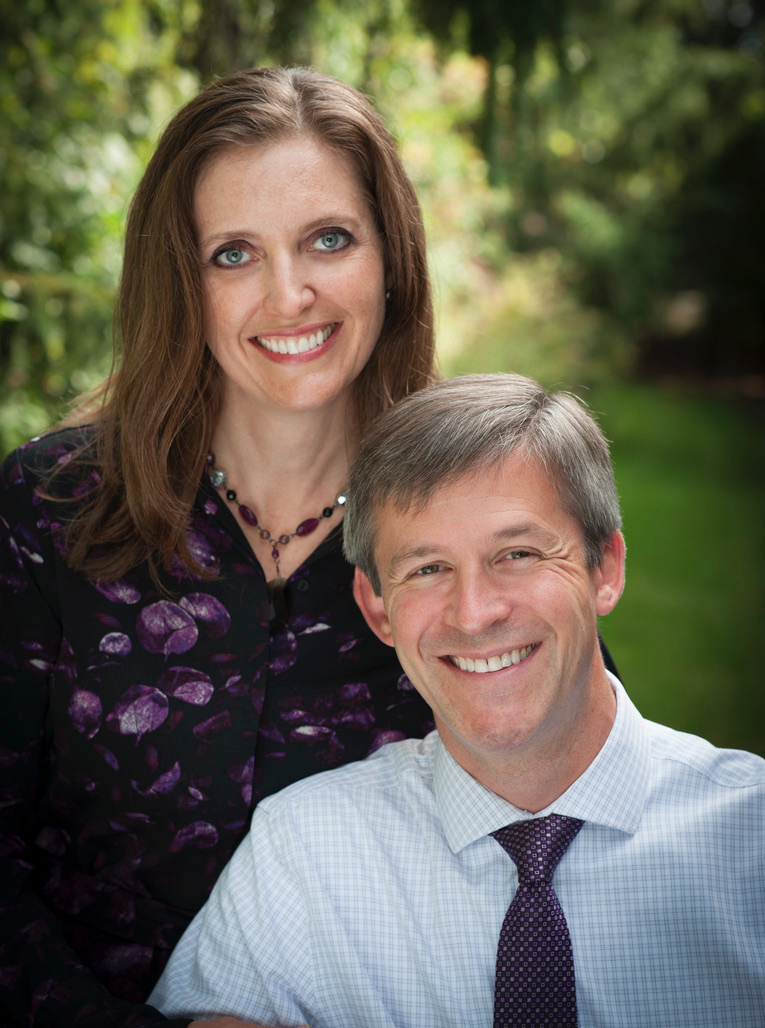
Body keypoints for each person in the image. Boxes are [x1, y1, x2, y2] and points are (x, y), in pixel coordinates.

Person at [0, 66, 440, 1028]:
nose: (290, 294)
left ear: (391, 257)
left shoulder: (461, 515)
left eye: (329, 239)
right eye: (233, 254)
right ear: (181, 283)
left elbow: (567, 800)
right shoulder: (48, 509)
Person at [150, 373, 765, 1028]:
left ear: (604, 569)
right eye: (428, 569)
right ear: (376, 608)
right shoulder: (300, 857)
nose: (473, 614)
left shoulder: (749, 844)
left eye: (518, 554)